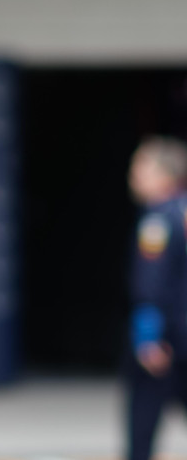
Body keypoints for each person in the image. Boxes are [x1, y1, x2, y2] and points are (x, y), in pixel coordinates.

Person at [124, 136, 187, 460]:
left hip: (166, 338)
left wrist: (147, 336)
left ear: (165, 174)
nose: (133, 175)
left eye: (141, 167)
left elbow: (151, 282)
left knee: (142, 429)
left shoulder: (157, 219)